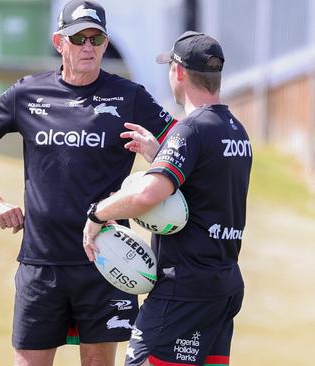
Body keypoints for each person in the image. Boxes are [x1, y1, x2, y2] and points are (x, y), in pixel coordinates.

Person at [0, 1, 178, 365]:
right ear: (60, 42)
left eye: (96, 38)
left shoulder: (130, 97)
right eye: (79, 38)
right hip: (40, 263)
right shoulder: (28, 93)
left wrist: (156, 155)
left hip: (106, 261)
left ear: (106, 43)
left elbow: (181, 148)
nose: (88, 47)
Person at [83, 31, 251, 366]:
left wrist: (97, 214)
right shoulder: (235, 130)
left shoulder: (190, 130)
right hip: (224, 285)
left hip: (183, 288)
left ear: (178, 72)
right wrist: (161, 155)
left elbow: (149, 193)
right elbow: (204, 186)